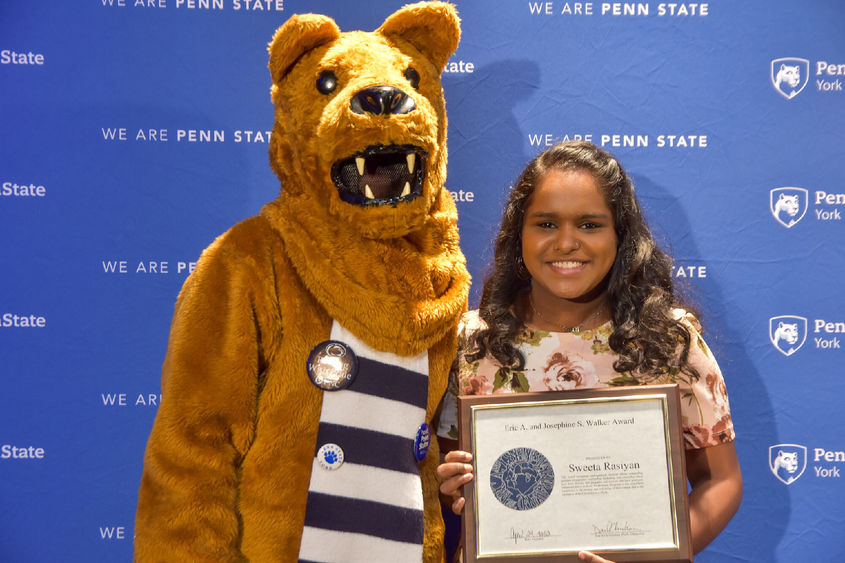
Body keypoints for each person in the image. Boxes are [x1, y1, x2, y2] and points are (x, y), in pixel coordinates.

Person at [436, 140, 742, 562]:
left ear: (621, 235)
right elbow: (436, 466)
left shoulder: (668, 342)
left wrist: (648, 557)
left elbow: (720, 481)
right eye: (545, 224)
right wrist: (447, 480)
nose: (566, 243)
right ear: (517, 234)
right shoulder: (470, 342)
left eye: (589, 225)